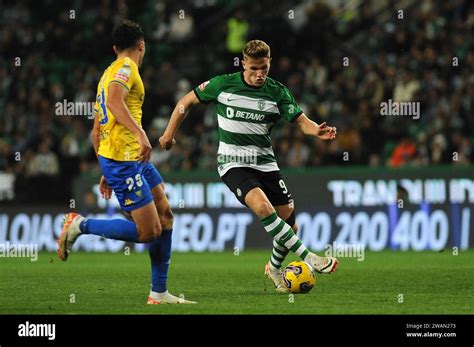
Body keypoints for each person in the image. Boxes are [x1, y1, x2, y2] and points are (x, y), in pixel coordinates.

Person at [159, 39, 339, 293]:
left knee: (290, 227)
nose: (259, 74)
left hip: (265, 163)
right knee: (263, 207)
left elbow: (300, 121)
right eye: (253, 68)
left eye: (263, 68)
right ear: (243, 63)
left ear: (269, 64)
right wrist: (169, 134)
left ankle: (274, 268)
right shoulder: (222, 84)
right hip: (233, 163)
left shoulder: (277, 91)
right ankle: (310, 257)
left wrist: (316, 131)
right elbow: (185, 102)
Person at [56, 19, 195, 304]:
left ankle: (159, 293)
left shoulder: (107, 73)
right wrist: (140, 134)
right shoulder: (126, 68)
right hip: (125, 159)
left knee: (166, 215)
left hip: (124, 158)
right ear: (142, 46)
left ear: (115, 47)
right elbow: (114, 103)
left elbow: (97, 129)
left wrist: (105, 168)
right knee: (149, 231)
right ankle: (80, 224)